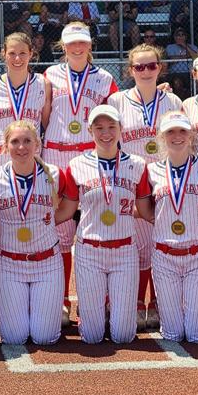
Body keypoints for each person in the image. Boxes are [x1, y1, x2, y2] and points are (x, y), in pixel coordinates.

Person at [43, 23, 119, 326]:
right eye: (72, 43)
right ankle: (61, 301)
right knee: (60, 233)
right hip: (57, 154)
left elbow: (112, 118)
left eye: (82, 43)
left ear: (90, 46)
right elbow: (44, 115)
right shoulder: (49, 75)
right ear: (63, 46)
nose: (77, 48)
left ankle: (100, 299)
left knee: (96, 227)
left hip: (90, 156)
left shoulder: (105, 78)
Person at [107, 44, 186, 330]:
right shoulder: (116, 101)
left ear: (159, 67)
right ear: (130, 71)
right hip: (133, 178)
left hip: (166, 181)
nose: (145, 71)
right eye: (139, 67)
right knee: (139, 244)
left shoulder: (174, 101)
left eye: (151, 66)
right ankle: (138, 302)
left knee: (160, 242)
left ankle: (157, 303)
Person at [0, 33, 51, 329]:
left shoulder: (43, 84)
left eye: (23, 53)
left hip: (32, 160)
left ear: (32, 53)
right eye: (12, 53)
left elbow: (49, 121)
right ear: (3, 54)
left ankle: (34, 296)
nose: (17, 58)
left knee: (32, 228)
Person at [63, 105, 152, 344]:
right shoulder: (76, 165)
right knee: (91, 337)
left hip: (124, 251)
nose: (106, 133)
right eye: (99, 127)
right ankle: (91, 317)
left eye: (112, 127)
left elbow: (145, 210)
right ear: (90, 130)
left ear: (121, 129)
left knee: (123, 336)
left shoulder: (137, 164)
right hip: (90, 250)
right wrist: (38, 218)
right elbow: (67, 210)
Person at [0, 120, 73, 344]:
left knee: (45, 337)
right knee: (14, 338)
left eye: (27, 141)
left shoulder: (55, 174)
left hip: (47, 263)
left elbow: (71, 203)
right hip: (10, 264)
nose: (21, 147)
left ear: (37, 144)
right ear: (5, 146)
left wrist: (51, 221)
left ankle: (39, 309)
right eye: (14, 142)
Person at [142, 111, 198, 342]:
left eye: (182, 130)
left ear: (191, 135)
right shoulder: (151, 170)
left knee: (196, 335)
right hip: (164, 256)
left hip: (197, 254)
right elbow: (144, 207)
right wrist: (162, 221)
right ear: (162, 137)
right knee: (172, 335)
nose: (177, 136)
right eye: (170, 131)